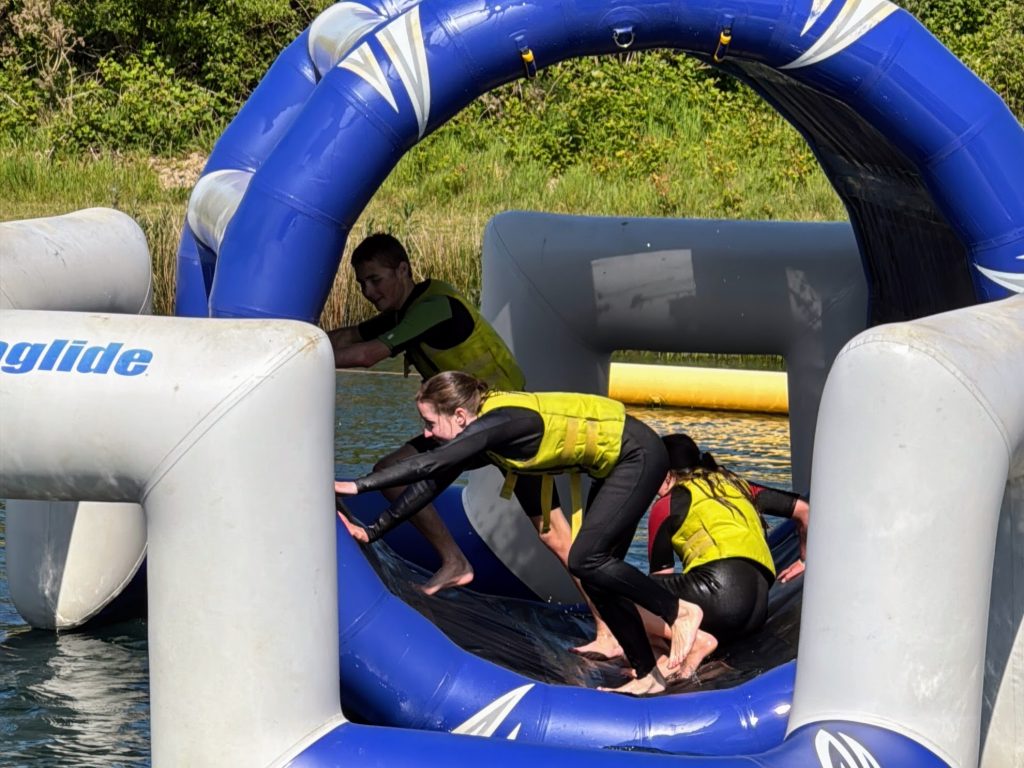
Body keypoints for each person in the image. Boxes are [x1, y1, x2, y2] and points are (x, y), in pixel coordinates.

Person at [335, 371, 704, 696]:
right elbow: (428, 485)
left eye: (430, 423)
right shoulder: (478, 434)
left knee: (585, 558)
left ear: (461, 415)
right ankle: (648, 673)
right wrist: (373, 531)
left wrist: (357, 486)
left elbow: (429, 463)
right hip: (612, 465)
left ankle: (680, 610)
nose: (425, 433)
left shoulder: (502, 422)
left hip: (637, 454)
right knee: (593, 575)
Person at [327, 233, 525, 595]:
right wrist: (301, 336)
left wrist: (297, 358)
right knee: (391, 471)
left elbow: (366, 355)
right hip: (467, 425)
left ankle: (456, 562)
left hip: (504, 422)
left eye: (376, 279)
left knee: (555, 535)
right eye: (361, 284)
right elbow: (349, 337)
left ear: (403, 270)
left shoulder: (434, 307)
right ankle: (454, 562)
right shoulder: (402, 312)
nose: (369, 292)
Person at [640, 433, 802, 678]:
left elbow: (658, 589)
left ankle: (663, 662)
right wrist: (803, 560)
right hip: (756, 611)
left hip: (718, 597)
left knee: (622, 589)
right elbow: (805, 510)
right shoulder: (739, 485)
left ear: (664, 473)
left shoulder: (668, 503)